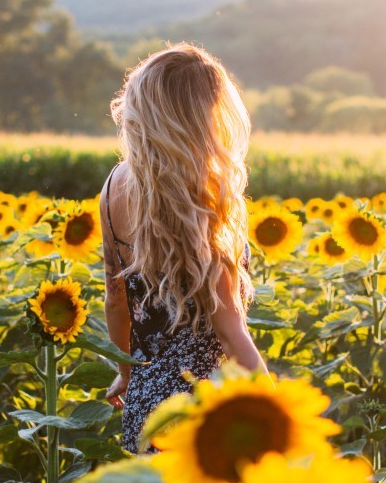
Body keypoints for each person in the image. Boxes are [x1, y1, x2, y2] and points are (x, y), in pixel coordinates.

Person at [100, 43, 270, 460]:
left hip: (146, 410)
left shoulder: (112, 188)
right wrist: (278, 416)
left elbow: (115, 297)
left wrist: (126, 374)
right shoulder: (206, 201)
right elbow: (231, 333)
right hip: (205, 408)